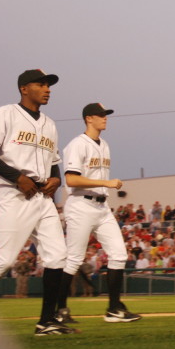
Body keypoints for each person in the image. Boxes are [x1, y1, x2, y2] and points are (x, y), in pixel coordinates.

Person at [0, 69, 73, 335]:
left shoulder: (49, 123)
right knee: (2, 261)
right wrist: (17, 177)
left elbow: (53, 163)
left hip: (42, 197)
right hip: (13, 194)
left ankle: (46, 322)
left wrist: (55, 179)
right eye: (41, 84)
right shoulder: (5, 114)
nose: (47, 88)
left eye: (48, 85)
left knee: (57, 256)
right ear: (24, 88)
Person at [56, 103, 141, 324]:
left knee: (119, 254)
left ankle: (114, 308)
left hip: (102, 207)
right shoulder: (77, 144)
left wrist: (105, 186)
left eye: (106, 115)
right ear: (88, 118)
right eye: (101, 115)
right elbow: (71, 179)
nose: (105, 118)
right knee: (74, 259)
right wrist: (106, 182)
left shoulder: (104, 145)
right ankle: (59, 309)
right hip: (80, 205)